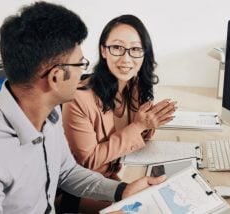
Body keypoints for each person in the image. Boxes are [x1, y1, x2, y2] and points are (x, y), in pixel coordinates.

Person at [0, 2, 165, 213]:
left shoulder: (49, 114)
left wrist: (122, 191)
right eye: (80, 64)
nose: (84, 73)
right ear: (55, 77)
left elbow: (67, 172)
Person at [61, 15, 176, 212]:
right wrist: (139, 126)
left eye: (135, 49)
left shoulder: (134, 86)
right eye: (117, 48)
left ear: (144, 53)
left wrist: (149, 123)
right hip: (85, 190)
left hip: (120, 176)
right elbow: (88, 161)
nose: (126, 59)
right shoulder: (78, 98)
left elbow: (139, 137)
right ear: (103, 51)